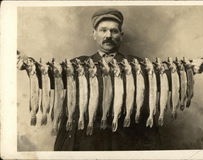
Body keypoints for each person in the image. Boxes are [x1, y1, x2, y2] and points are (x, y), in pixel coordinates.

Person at [54, 8, 161, 151]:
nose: (108, 35)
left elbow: (164, 81)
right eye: (103, 30)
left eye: (114, 31)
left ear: (121, 35)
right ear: (94, 34)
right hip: (87, 141)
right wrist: (25, 63)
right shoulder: (77, 65)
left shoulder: (137, 65)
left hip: (124, 141)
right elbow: (50, 77)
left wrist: (191, 67)